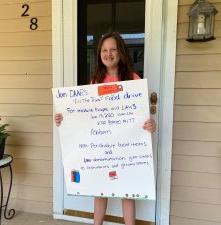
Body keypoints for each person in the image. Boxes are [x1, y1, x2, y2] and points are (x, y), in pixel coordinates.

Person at [54, 32, 156, 225]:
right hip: (101, 146)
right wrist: (64, 118)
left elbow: (142, 118)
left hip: (125, 147)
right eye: (104, 50)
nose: (108, 54)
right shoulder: (95, 82)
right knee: (100, 190)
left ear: (121, 53)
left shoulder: (133, 80)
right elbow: (85, 115)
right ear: (99, 54)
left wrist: (151, 125)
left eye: (113, 50)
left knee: (127, 191)